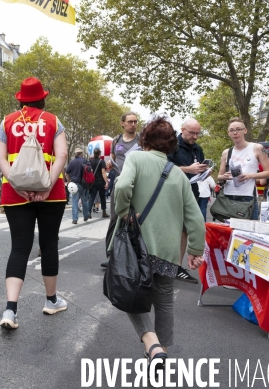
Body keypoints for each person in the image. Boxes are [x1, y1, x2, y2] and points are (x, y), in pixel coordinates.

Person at [113, 116, 205, 369]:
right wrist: (195, 250)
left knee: (129, 292)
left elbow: (122, 188)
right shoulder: (177, 173)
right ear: (170, 145)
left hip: (137, 245)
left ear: (144, 139)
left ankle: (151, 343)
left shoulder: (136, 158)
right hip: (167, 250)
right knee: (164, 299)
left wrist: (123, 212)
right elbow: (195, 218)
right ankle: (161, 349)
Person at [0, 77, 68, 330]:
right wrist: (47, 186)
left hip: (15, 194)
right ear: (42, 98)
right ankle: (51, 301)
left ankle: (10, 310)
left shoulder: (6, 121)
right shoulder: (53, 121)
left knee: (19, 248)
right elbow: (62, 155)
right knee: (49, 245)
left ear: (20, 99)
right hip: (52, 193)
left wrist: (16, 185)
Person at [167, 118, 206, 283]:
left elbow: (199, 169)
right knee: (171, 230)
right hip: (172, 193)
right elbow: (163, 166)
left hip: (192, 192)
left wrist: (204, 172)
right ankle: (167, 264)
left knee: (184, 231)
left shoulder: (197, 148)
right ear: (182, 129)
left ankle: (177, 266)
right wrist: (188, 169)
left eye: (197, 133)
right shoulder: (171, 145)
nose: (195, 137)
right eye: (192, 133)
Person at [101, 112, 141, 268]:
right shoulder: (116, 140)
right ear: (122, 123)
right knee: (114, 220)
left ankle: (136, 257)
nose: (133, 124)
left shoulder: (142, 140)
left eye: (135, 121)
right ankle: (111, 255)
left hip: (137, 186)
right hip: (119, 185)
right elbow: (112, 158)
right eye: (130, 121)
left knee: (136, 221)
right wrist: (109, 165)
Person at [216, 117, 269, 222]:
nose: (235, 132)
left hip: (248, 198)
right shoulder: (226, 152)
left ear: (245, 130)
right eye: (232, 130)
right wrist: (223, 177)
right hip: (228, 198)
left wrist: (250, 176)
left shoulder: (257, 148)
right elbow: (219, 176)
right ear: (228, 133)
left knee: (247, 234)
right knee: (228, 234)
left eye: (238, 129)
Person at [65, 148, 89, 224]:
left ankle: (75, 219)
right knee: (84, 201)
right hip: (84, 184)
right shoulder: (85, 161)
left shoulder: (71, 162)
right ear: (81, 153)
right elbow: (90, 171)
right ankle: (85, 216)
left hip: (74, 184)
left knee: (75, 201)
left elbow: (66, 173)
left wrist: (69, 181)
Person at [87, 148, 109, 218]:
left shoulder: (90, 161)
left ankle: (89, 212)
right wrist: (106, 182)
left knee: (92, 197)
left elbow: (89, 172)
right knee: (102, 197)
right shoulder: (102, 162)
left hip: (93, 182)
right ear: (100, 154)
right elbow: (103, 172)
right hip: (100, 182)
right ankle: (104, 212)